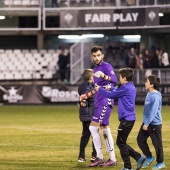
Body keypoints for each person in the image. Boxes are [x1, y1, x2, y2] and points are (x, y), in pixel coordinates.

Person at [95, 67, 146, 170]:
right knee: (121, 142)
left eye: (120, 77)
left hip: (126, 120)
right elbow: (117, 91)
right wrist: (111, 88)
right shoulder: (130, 86)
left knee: (120, 143)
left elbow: (111, 95)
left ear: (124, 78)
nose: (119, 78)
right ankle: (138, 157)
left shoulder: (126, 88)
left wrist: (99, 89)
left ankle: (128, 166)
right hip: (129, 119)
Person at [80, 46, 118, 167]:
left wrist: (104, 77)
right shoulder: (95, 69)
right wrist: (86, 95)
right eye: (94, 56)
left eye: (98, 55)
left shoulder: (106, 66)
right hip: (98, 101)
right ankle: (111, 158)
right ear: (92, 56)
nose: (96, 58)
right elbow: (97, 88)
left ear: (102, 55)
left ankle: (100, 157)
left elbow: (115, 80)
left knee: (92, 128)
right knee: (105, 128)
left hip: (105, 101)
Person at [137, 75, 166, 170]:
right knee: (140, 139)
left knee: (157, 144)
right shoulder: (149, 93)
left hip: (154, 124)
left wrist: (147, 123)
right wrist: (145, 122)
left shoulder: (156, 96)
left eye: (147, 82)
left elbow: (153, 111)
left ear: (152, 85)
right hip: (147, 122)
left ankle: (161, 162)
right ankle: (149, 157)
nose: (145, 83)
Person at [77, 69, 96, 163]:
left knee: (85, 135)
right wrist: (83, 101)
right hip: (89, 113)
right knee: (94, 135)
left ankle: (81, 156)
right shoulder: (88, 86)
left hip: (85, 113)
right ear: (91, 77)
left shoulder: (82, 85)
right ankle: (94, 156)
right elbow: (85, 96)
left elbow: (81, 96)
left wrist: (81, 101)